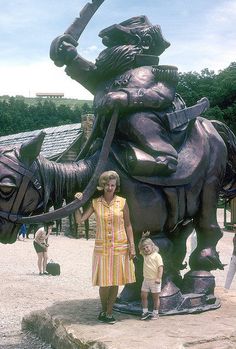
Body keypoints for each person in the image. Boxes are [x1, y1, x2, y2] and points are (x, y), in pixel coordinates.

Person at [50, 15, 189, 177]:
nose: (109, 49)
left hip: (156, 123)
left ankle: (165, 156)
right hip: (110, 130)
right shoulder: (109, 76)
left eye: (119, 41)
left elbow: (161, 94)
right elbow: (91, 76)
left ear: (145, 42)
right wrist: (71, 58)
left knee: (137, 119)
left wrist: (126, 97)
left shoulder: (157, 72)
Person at [75, 170, 136, 324]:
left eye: (113, 185)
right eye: (107, 185)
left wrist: (132, 246)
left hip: (120, 246)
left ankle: (109, 313)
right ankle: (103, 309)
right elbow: (80, 220)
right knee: (104, 282)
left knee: (115, 281)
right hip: (102, 248)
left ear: (116, 186)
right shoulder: (96, 203)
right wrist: (76, 204)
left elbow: (128, 225)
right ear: (102, 186)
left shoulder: (122, 202)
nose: (110, 188)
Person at [138, 233, 163, 320]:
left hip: (155, 280)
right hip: (146, 280)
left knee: (155, 297)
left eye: (147, 247)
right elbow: (139, 247)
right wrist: (142, 238)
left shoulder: (157, 256)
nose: (146, 249)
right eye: (144, 248)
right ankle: (145, 312)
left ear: (152, 246)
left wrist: (159, 278)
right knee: (143, 296)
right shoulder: (145, 256)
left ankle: (156, 313)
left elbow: (160, 268)